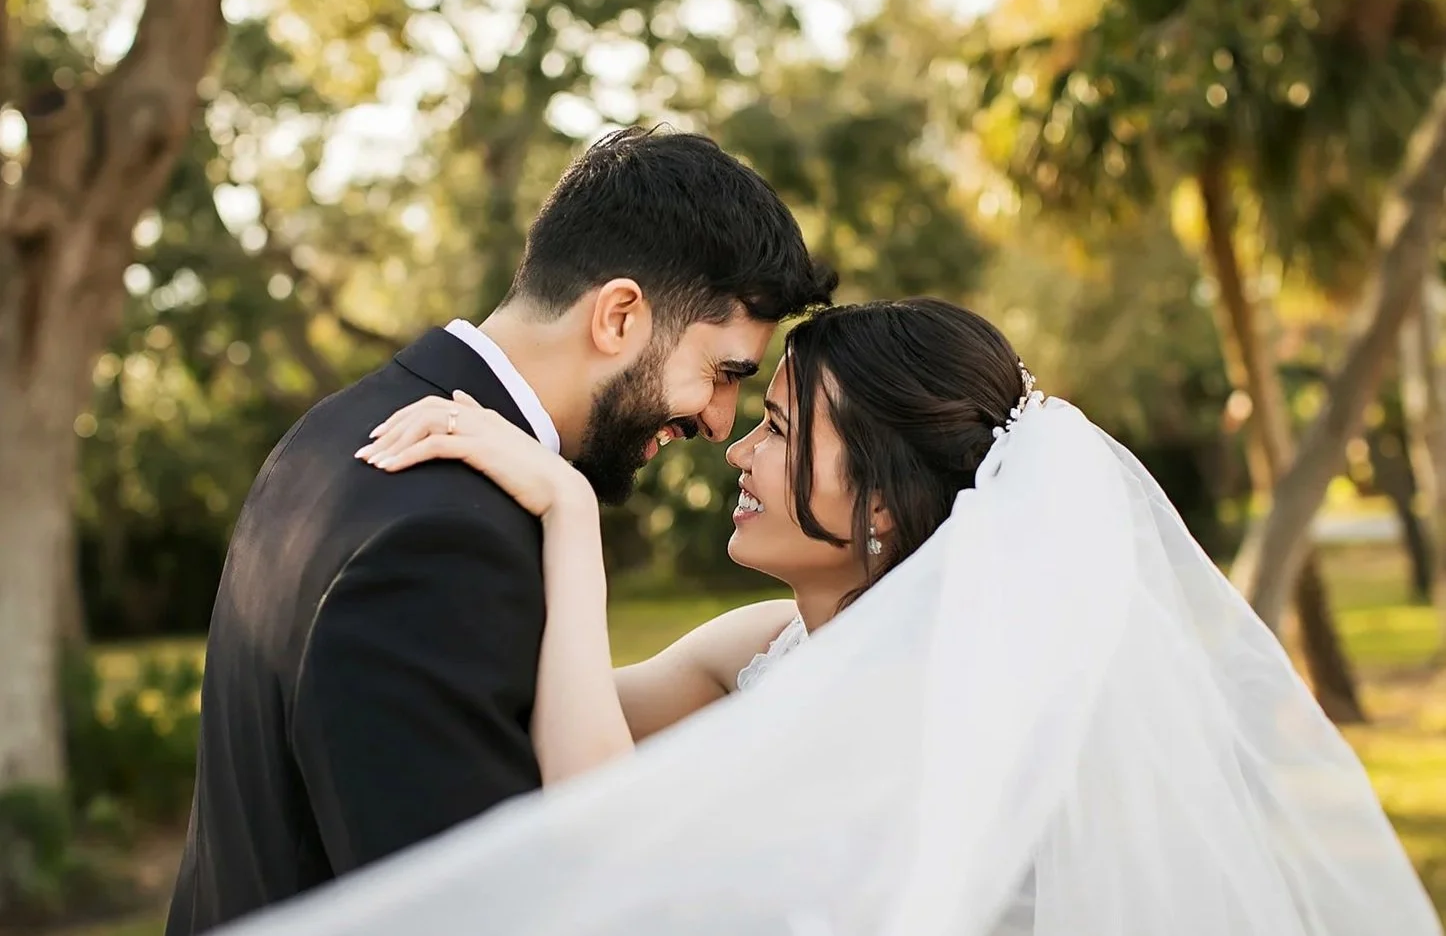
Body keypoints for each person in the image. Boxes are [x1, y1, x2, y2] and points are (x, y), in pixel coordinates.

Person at [217, 297, 1442, 936]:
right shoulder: (765, 649)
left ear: (885, 509)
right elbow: (556, 709)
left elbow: (600, 823)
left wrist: (570, 512)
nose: (737, 451)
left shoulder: (930, 713)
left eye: (780, 429)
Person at [163, 126, 836, 936]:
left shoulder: (335, 431)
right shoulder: (444, 539)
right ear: (619, 316)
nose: (719, 421)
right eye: (722, 373)